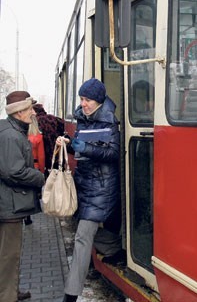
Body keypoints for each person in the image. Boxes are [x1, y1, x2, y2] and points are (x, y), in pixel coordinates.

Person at [59, 78, 120, 302]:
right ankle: (115, 248)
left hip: (102, 188)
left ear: (99, 101)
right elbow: (82, 149)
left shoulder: (110, 122)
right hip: (85, 184)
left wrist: (86, 148)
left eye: (87, 100)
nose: (83, 103)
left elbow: (114, 154)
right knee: (86, 231)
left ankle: (71, 295)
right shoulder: (83, 120)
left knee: (82, 239)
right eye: (82, 99)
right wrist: (68, 143)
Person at [0, 91, 46, 302]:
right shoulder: (11, 136)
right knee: (9, 255)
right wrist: (38, 177)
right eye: (29, 109)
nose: (33, 112)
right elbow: (13, 172)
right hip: (9, 206)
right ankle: (7, 296)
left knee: (9, 254)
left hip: (9, 202)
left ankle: (10, 290)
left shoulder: (11, 130)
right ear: (18, 112)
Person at [32, 103, 65, 173]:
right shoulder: (54, 119)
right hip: (57, 150)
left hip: (45, 153)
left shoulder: (36, 122)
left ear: (34, 112)